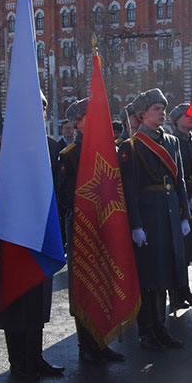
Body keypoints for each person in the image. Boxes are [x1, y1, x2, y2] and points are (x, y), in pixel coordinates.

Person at [0, 94, 66, 377]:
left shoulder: (51, 145)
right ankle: (18, 360)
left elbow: (56, 191)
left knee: (37, 297)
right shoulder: (1, 147)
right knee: (15, 295)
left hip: (41, 231)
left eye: (43, 108)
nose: (39, 113)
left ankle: (36, 356)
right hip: (13, 233)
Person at [118, 89, 191, 350]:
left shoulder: (171, 141)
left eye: (163, 108)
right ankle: (146, 330)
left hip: (169, 212)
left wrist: (184, 214)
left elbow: (179, 180)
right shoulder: (131, 146)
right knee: (149, 276)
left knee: (166, 273)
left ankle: (161, 327)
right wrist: (135, 224)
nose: (162, 113)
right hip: (148, 215)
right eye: (156, 109)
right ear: (142, 114)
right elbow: (130, 187)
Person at [55, 98, 125, 364]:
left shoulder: (110, 151)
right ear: (78, 123)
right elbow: (64, 195)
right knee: (86, 285)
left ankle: (102, 342)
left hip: (107, 225)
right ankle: (87, 345)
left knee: (105, 283)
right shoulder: (70, 154)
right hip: (83, 228)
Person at [168, 103, 192, 309]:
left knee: (190, 247)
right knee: (177, 250)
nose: (191, 118)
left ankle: (185, 290)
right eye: (186, 115)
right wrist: (185, 198)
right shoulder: (172, 141)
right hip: (177, 201)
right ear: (176, 120)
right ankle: (175, 294)